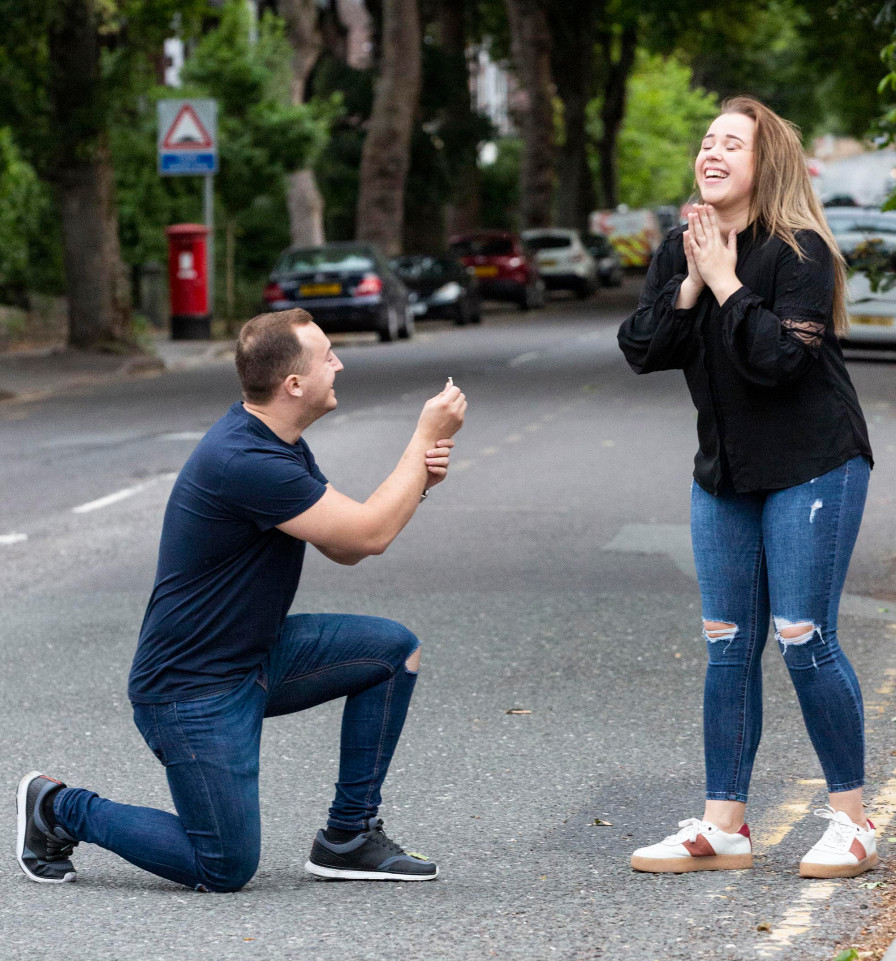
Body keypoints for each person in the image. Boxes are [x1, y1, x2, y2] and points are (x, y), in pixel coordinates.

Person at [16, 308, 466, 891]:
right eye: (327, 356)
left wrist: (417, 483)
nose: (339, 364)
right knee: (223, 866)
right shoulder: (245, 460)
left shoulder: (279, 444)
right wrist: (423, 439)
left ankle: (349, 837)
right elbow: (367, 537)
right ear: (293, 384)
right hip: (190, 689)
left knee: (392, 651)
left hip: (255, 658)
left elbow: (345, 546)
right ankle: (56, 808)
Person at [617, 96, 876, 878]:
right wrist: (692, 283)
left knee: (802, 633)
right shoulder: (682, 247)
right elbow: (642, 347)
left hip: (814, 463)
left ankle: (854, 821)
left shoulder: (801, 251)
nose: (713, 151)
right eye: (708, 140)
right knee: (727, 641)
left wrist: (728, 282)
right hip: (726, 473)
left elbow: (780, 362)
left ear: (767, 165)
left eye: (733, 142)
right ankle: (724, 824)